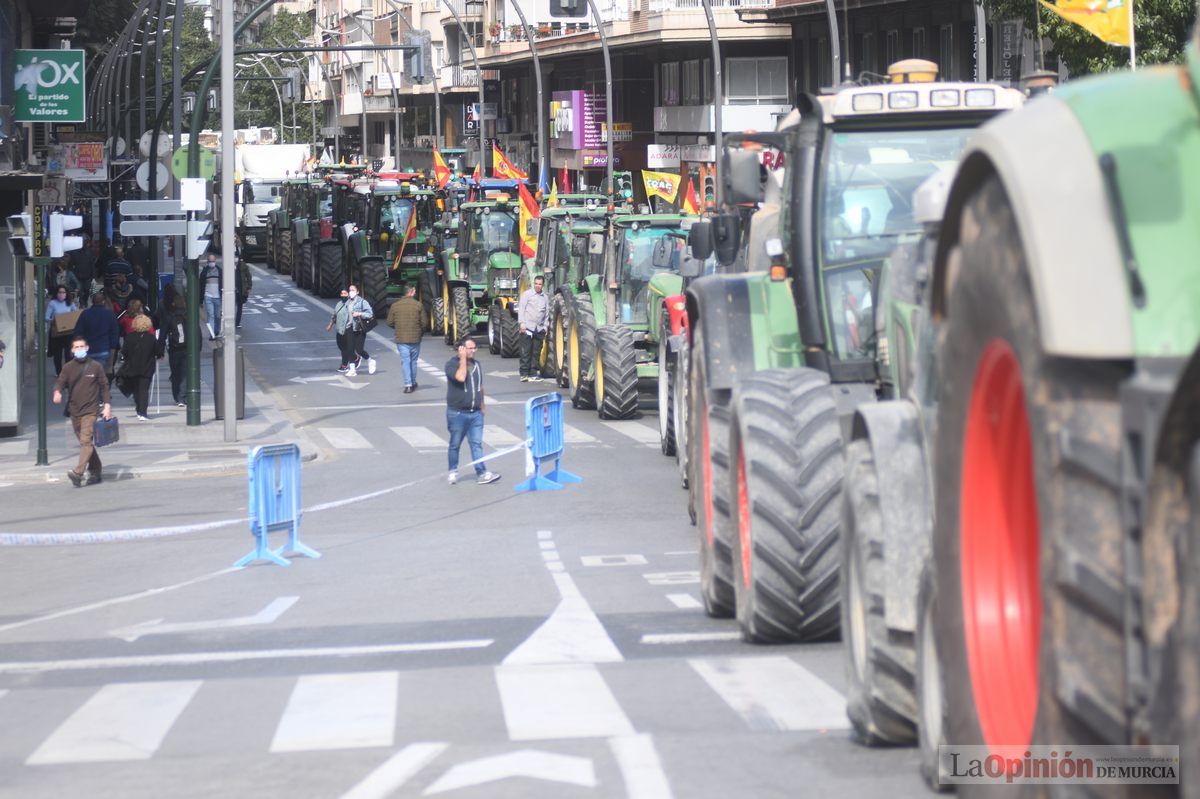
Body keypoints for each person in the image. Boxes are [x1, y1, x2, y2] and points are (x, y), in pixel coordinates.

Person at [52, 335, 113, 487]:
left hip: (91, 410)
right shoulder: (68, 367)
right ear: (72, 350)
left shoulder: (95, 366)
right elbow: (60, 382)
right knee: (86, 444)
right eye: (76, 347)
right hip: (74, 411)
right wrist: (57, 392)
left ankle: (78, 473)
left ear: (87, 348)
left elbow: (104, 386)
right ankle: (96, 470)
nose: (79, 349)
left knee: (86, 441)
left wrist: (107, 406)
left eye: (81, 347)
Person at [444, 336, 500, 486]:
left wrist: (482, 404)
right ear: (461, 349)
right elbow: (461, 377)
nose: (473, 351)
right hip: (457, 413)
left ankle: (481, 472)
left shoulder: (477, 365)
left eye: (474, 348)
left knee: (476, 443)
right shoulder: (451, 365)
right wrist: (462, 359)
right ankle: (453, 471)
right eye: (470, 348)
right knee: (455, 443)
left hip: (475, 413)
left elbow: (480, 385)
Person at [387, 285, 427, 393]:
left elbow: (389, 322)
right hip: (415, 339)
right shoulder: (418, 305)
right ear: (412, 292)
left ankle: (408, 384)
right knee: (413, 362)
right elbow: (424, 323)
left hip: (401, 339)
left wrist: (398, 328)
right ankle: (413, 382)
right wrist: (420, 332)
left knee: (405, 361)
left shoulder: (395, 306)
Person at [118, 314, 158, 420]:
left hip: (132, 367)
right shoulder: (151, 338)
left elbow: (124, 352)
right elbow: (158, 352)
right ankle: (143, 412)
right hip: (147, 368)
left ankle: (138, 410)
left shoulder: (130, 337)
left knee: (136, 390)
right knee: (144, 390)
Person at [74, 292, 120, 379]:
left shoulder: (85, 314)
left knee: (88, 377)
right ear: (103, 302)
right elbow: (114, 335)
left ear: (92, 301)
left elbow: (78, 333)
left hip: (88, 351)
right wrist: (113, 349)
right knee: (101, 377)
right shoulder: (110, 315)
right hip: (103, 350)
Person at [158, 288, 187, 407]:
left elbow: (162, 335)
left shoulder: (169, 317)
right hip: (187, 348)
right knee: (185, 373)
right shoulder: (188, 316)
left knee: (175, 373)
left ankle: (177, 396)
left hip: (174, 349)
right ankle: (183, 396)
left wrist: (160, 351)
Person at [517, 275, 549, 381]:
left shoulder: (545, 297)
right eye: (536, 283)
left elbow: (547, 313)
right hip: (527, 327)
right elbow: (521, 309)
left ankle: (533, 373)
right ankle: (524, 374)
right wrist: (521, 323)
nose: (537, 286)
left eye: (540, 284)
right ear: (533, 283)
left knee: (536, 352)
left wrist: (545, 326)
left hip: (539, 328)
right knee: (525, 351)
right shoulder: (527, 295)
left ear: (542, 285)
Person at [340, 284, 374, 377]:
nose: (351, 292)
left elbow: (370, 314)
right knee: (350, 349)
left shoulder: (362, 302)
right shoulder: (347, 302)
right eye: (350, 290)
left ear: (357, 292)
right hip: (350, 327)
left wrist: (359, 313)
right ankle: (352, 369)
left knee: (359, 350)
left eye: (353, 290)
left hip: (359, 328)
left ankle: (370, 360)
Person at [45, 286, 79, 375]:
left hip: (68, 333)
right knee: (57, 354)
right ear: (56, 293)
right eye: (60, 292)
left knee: (68, 354)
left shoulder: (70, 303)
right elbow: (46, 317)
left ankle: (68, 372)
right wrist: (53, 320)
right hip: (57, 333)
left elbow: (75, 314)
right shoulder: (52, 303)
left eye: (63, 292)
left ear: (66, 293)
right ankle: (58, 372)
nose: (61, 294)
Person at [327, 289, 352, 372]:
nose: (343, 295)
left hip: (347, 330)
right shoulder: (339, 304)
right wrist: (330, 325)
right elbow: (334, 315)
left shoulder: (351, 304)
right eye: (342, 293)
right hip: (339, 330)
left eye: (345, 293)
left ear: (348, 294)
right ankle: (354, 357)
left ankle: (345, 365)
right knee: (341, 346)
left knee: (345, 348)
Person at [199, 253, 222, 339]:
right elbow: (201, 287)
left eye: (213, 261)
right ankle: (212, 334)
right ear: (207, 262)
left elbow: (223, 284)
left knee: (217, 316)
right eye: (210, 261)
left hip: (218, 297)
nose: (211, 263)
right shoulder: (204, 273)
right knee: (210, 315)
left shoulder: (220, 271)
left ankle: (216, 330)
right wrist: (200, 300)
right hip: (208, 296)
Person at [235, 252, 252, 328]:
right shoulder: (228, 265)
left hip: (241, 289)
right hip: (232, 290)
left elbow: (249, 277)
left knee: (239, 306)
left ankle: (237, 322)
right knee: (232, 306)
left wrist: (249, 287)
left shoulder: (243, 265)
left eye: (236, 257)